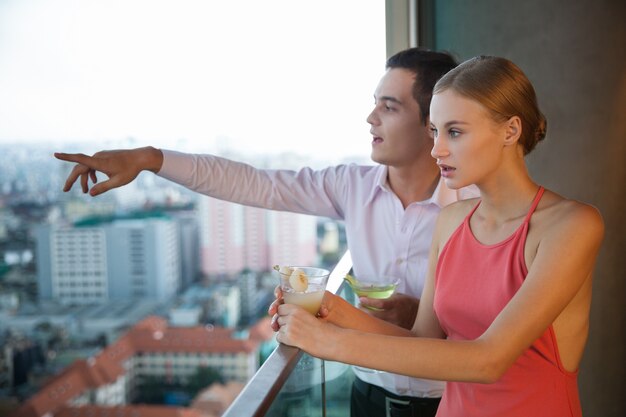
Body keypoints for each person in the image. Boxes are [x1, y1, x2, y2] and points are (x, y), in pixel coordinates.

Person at [55, 47, 477, 417]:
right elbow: (255, 183)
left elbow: (499, 325)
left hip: (453, 399)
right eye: (374, 103)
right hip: (367, 393)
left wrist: (424, 314)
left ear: (432, 125)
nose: (370, 118)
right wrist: (151, 158)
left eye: (389, 106)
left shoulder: (476, 205)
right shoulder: (353, 186)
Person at [270, 55, 605, 417]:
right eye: (434, 131)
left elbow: (487, 361)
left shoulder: (572, 225)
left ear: (511, 130)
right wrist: (332, 310)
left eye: (454, 132)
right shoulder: (451, 220)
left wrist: (332, 342)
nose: (436, 149)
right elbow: (422, 342)